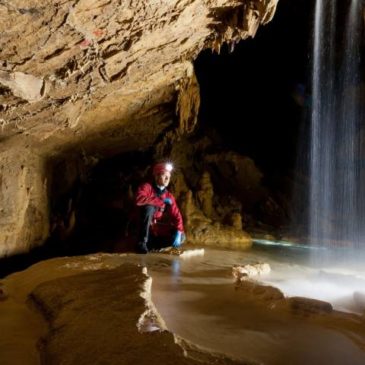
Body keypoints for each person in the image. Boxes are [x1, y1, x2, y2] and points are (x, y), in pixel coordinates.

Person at [134, 162, 185, 254]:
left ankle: (154, 246)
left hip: (157, 232)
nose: (167, 179)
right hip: (145, 231)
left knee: (182, 236)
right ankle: (142, 243)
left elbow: (177, 215)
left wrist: (179, 231)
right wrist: (160, 201)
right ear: (156, 176)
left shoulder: (169, 196)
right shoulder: (147, 187)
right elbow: (139, 199)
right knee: (149, 207)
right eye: (164, 176)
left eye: (168, 177)